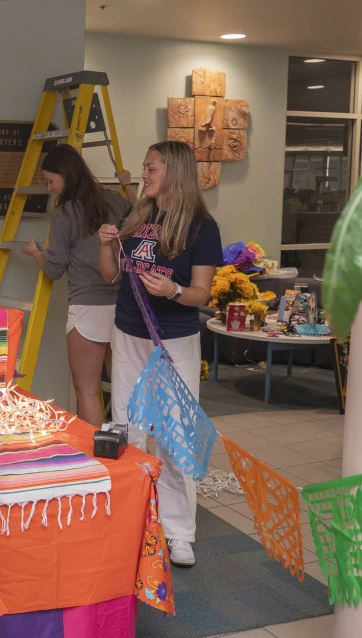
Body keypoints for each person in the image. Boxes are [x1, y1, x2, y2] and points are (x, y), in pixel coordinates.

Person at [97, 140, 221, 569]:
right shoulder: (136, 216)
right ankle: (131, 522)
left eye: (151, 168)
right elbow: (111, 274)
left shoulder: (203, 227)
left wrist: (174, 290)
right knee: (127, 430)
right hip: (128, 333)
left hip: (174, 343)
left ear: (175, 171)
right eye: (145, 167)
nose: (144, 174)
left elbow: (201, 293)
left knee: (174, 439)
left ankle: (179, 533)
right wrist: (107, 244)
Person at [21, 144, 134, 426]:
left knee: (87, 391)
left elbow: (54, 269)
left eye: (50, 180)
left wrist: (35, 251)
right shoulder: (114, 199)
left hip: (87, 308)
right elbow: (139, 217)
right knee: (125, 391)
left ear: (65, 174)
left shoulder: (65, 213)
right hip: (122, 305)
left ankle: (96, 459)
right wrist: (128, 185)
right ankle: (132, 457)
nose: (49, 188)